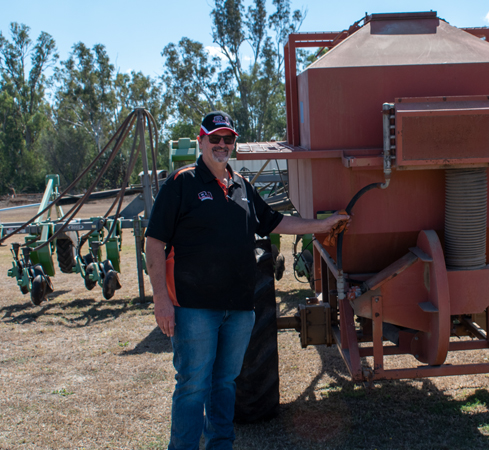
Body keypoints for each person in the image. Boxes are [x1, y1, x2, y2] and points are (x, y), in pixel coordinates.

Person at [144, 111, 349, 450]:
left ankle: (221, 445)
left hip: (239, 308)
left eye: (228, 139)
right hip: (194, 308)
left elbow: (275, 222)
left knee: (225, 383)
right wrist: (160, 300)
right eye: (215, 138)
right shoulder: (182, 183)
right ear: (201, 140)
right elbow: (154, 242)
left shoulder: (242, 185)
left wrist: (321, 225)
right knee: (194, 384)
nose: (222, 145)